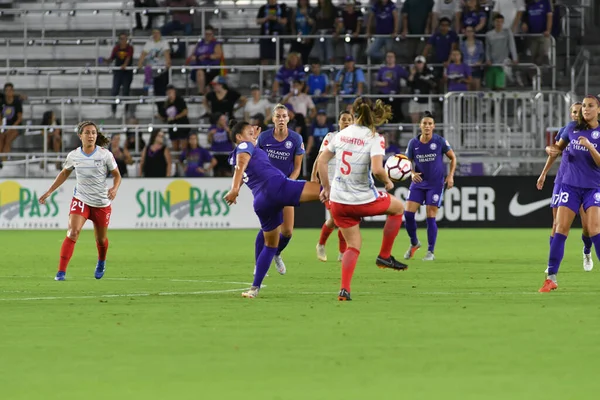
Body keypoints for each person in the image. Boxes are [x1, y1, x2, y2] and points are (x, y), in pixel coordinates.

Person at [317, 98, 409, 301]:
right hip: (362, 200)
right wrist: (387, 182)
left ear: (353, 112)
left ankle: (344, 290)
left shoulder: (341, 134)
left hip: (339, 202)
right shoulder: (374, 137)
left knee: (353, 246)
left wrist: (326, 187)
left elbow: (322, 161)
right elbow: (377, 169)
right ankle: (384, 256)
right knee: (398, 207)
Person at [224, 120, 322, 298]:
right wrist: (235, 188)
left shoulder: (244, 148)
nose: (254, 132)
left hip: (261, 201)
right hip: (277, 186)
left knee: (270, 244)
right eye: (249, 131)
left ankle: (254, 289)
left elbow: (243, 161)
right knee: (326, 191)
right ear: (239, 137)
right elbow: (242, 162)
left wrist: (253, 138)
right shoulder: (244, 147)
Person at [38, 121, 121, 281]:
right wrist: (49, 191)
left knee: (101, 240)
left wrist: (114, 188)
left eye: (93, 133)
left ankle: (101, 261)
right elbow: (64, 173)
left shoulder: (105, 154)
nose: (91, 136)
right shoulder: (74, 155)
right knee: (73, 232)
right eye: (87, 132)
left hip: (101, 203)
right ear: (80, 135)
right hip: (81, 199)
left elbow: (117, 175)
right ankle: (61, 272)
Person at [540, 95, 600, 292]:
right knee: (560, 228)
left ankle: (587, 251)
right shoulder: (571, 128)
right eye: (584, 106)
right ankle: (551, 277)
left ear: (598, 110)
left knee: (593, 229)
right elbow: (557, 148)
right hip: (569, 186)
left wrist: (590, 147)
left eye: (590, 106)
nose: (586, 109)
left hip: (593, 187)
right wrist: (551, 149)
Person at [255, 104, 305, 275]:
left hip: (285, 187)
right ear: (273, 119)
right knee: (267, 228)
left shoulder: (296, 139)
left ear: (288, 118)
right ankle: (258, 265)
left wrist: (288, 183)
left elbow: (298, 167)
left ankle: (276, 253)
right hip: (267, 188)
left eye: (284, 116)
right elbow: (256, 160)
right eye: (278, 116)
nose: (281, 119)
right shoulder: (263, 138)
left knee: (287, 232)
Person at [403, 111, 457, 261]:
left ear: (433, 126)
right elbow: (406, 162)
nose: (427, 126)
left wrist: (450, 175)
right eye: (424, 123)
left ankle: (430, 252)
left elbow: (453, 158)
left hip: (435, 184)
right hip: (418, 183)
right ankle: (414, 243)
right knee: (408, 214)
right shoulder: (413, 143)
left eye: (430, 124)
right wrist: (412, 173)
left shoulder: (439, 141)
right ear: (420, 126)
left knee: (430, 216)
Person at [312, 111, 354, 262]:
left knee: (343, 218)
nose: (347, 122)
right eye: (344, 119)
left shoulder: (355, 141)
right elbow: (319, 158)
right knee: (337, 218)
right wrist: (313, 176)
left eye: (349, 119)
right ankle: (322, 245)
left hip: (346, 186)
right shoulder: (331, 137)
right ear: (339, 122)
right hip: (329, 184)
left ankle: (341, 252)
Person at [105, 33, 134, 117]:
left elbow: (128, 57)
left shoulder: (130, 48)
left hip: (127, 73)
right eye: (121, 39)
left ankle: (126, 110)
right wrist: (106, 60)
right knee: (114, 91)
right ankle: (113, 110)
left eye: (125, 39)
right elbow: (111, 58)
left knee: (126, 91)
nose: (123, 40)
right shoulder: (116, 48)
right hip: (118, 72)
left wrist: (125, 65)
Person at [159, 85, 190, 151]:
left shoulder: (179, 100)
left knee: (184, 146)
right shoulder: (166, 103)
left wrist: (175, 117)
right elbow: (164, 116)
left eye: (170, 92)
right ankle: (177, 160)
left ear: (174, 91)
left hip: (182, 125)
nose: (169, 94)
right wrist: (160, 117)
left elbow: (185, 111)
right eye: (168, 92)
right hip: (172, 126)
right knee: (175, 146)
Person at [0, 83, 23, 165]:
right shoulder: (2, 102)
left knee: (8, 139)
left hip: (16, 127)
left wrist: (12, 127)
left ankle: (5, 161)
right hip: (4, 126)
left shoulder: (17, 102)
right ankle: (1, 159)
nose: (9, 92)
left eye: (10, 90)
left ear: (13, 91)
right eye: (7, 90)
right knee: (1, 137)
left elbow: (19, 118)